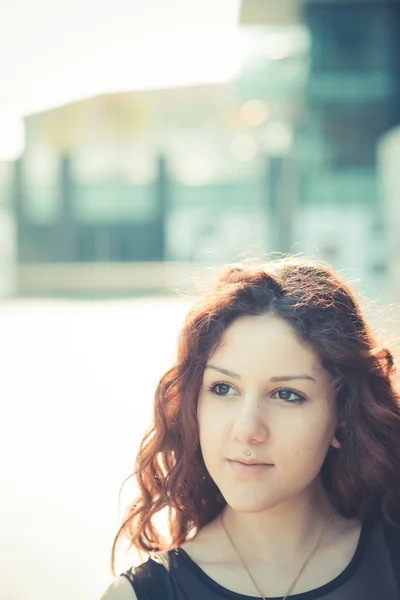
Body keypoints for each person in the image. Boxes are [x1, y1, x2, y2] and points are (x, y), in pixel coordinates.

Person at [102, 257, 400, 600]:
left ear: (343, 412)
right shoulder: (142, 594)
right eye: (223, 388)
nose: (246, 430)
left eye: (287, 394)